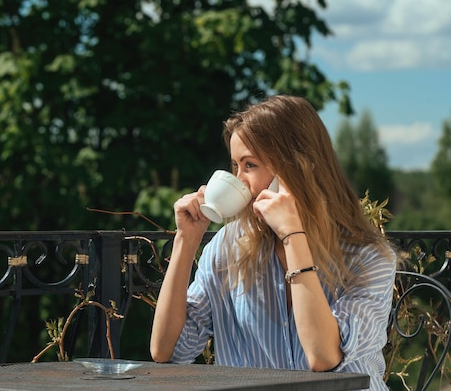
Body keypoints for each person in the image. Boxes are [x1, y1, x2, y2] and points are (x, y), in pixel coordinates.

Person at [150, 95, 397, 391]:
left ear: (297, 169)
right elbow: (167, 351)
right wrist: (185, 241)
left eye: (250, 165)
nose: (239, 180)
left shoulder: (367, 256)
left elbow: (323, 357)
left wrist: (292, 235)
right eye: (235, 166)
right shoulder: (228, 247)